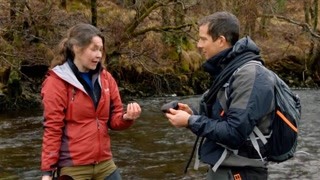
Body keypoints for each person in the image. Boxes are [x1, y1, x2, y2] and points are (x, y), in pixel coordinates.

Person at [165, 11, 276, 180]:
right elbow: (222, 121)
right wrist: (192, 115)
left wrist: (191, 121)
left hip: (242, 172)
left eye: (203, 39)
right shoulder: (228, 71)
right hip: (224, 168)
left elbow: (234, 133)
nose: (198, 45)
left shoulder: (248, 75)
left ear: (221, 41)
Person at [40, 23, 141, 180]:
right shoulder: (56, 82)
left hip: (105, 163)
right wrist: (47, 172)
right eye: (94, 49)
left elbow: (114, 120)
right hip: (73, 167)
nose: (99, 55)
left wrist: (126, 118)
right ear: (76, 48)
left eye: (101, 49)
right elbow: (53, 129)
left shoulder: (106, 78)